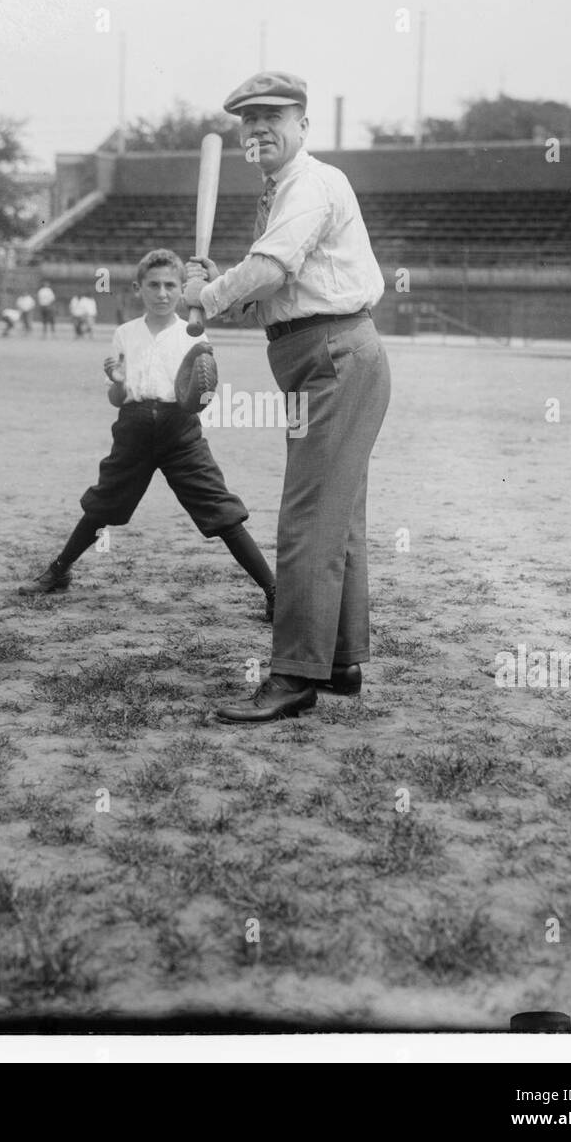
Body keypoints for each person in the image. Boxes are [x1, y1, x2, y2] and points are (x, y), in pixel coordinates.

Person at [184, 71, 390, 724]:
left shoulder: (309, 183)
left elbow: (271, 270)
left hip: (334, 357)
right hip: (317, 358)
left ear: (303, 123)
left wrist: (205, 297)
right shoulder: (282, 191)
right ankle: (336, 660)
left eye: (273, 115)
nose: (257, 128)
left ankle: (292, 674)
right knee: (336, 515)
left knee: (307, 520)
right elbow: (272, 286)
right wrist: (217, 284)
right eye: (247, 120)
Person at [17, 248, 276, 616]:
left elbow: (200, 399)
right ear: (138, 288)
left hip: (180, 431)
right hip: (134, 426)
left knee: (220, 510)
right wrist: (118, 381)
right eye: (153, 285)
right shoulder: (125, 334)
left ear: (182, 289)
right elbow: (116, 398)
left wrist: (204, 384)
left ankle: (272, 590)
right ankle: (58, 572)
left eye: (171, 285)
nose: (162, 293)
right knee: (102, 504)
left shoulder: (192, 334)